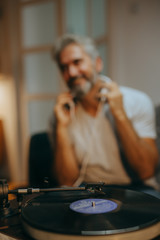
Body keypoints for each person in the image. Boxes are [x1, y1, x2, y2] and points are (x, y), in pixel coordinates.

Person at [50, 34, 160, 197]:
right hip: (88, 193)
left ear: (98, 63)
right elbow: (67, 182)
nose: (71, 72)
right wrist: (61, 128)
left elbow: (146, 171)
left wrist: (120, 114)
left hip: (136, 189)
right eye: (63, 67)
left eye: (77, 62)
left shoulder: (137, 100)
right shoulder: (60, 115)